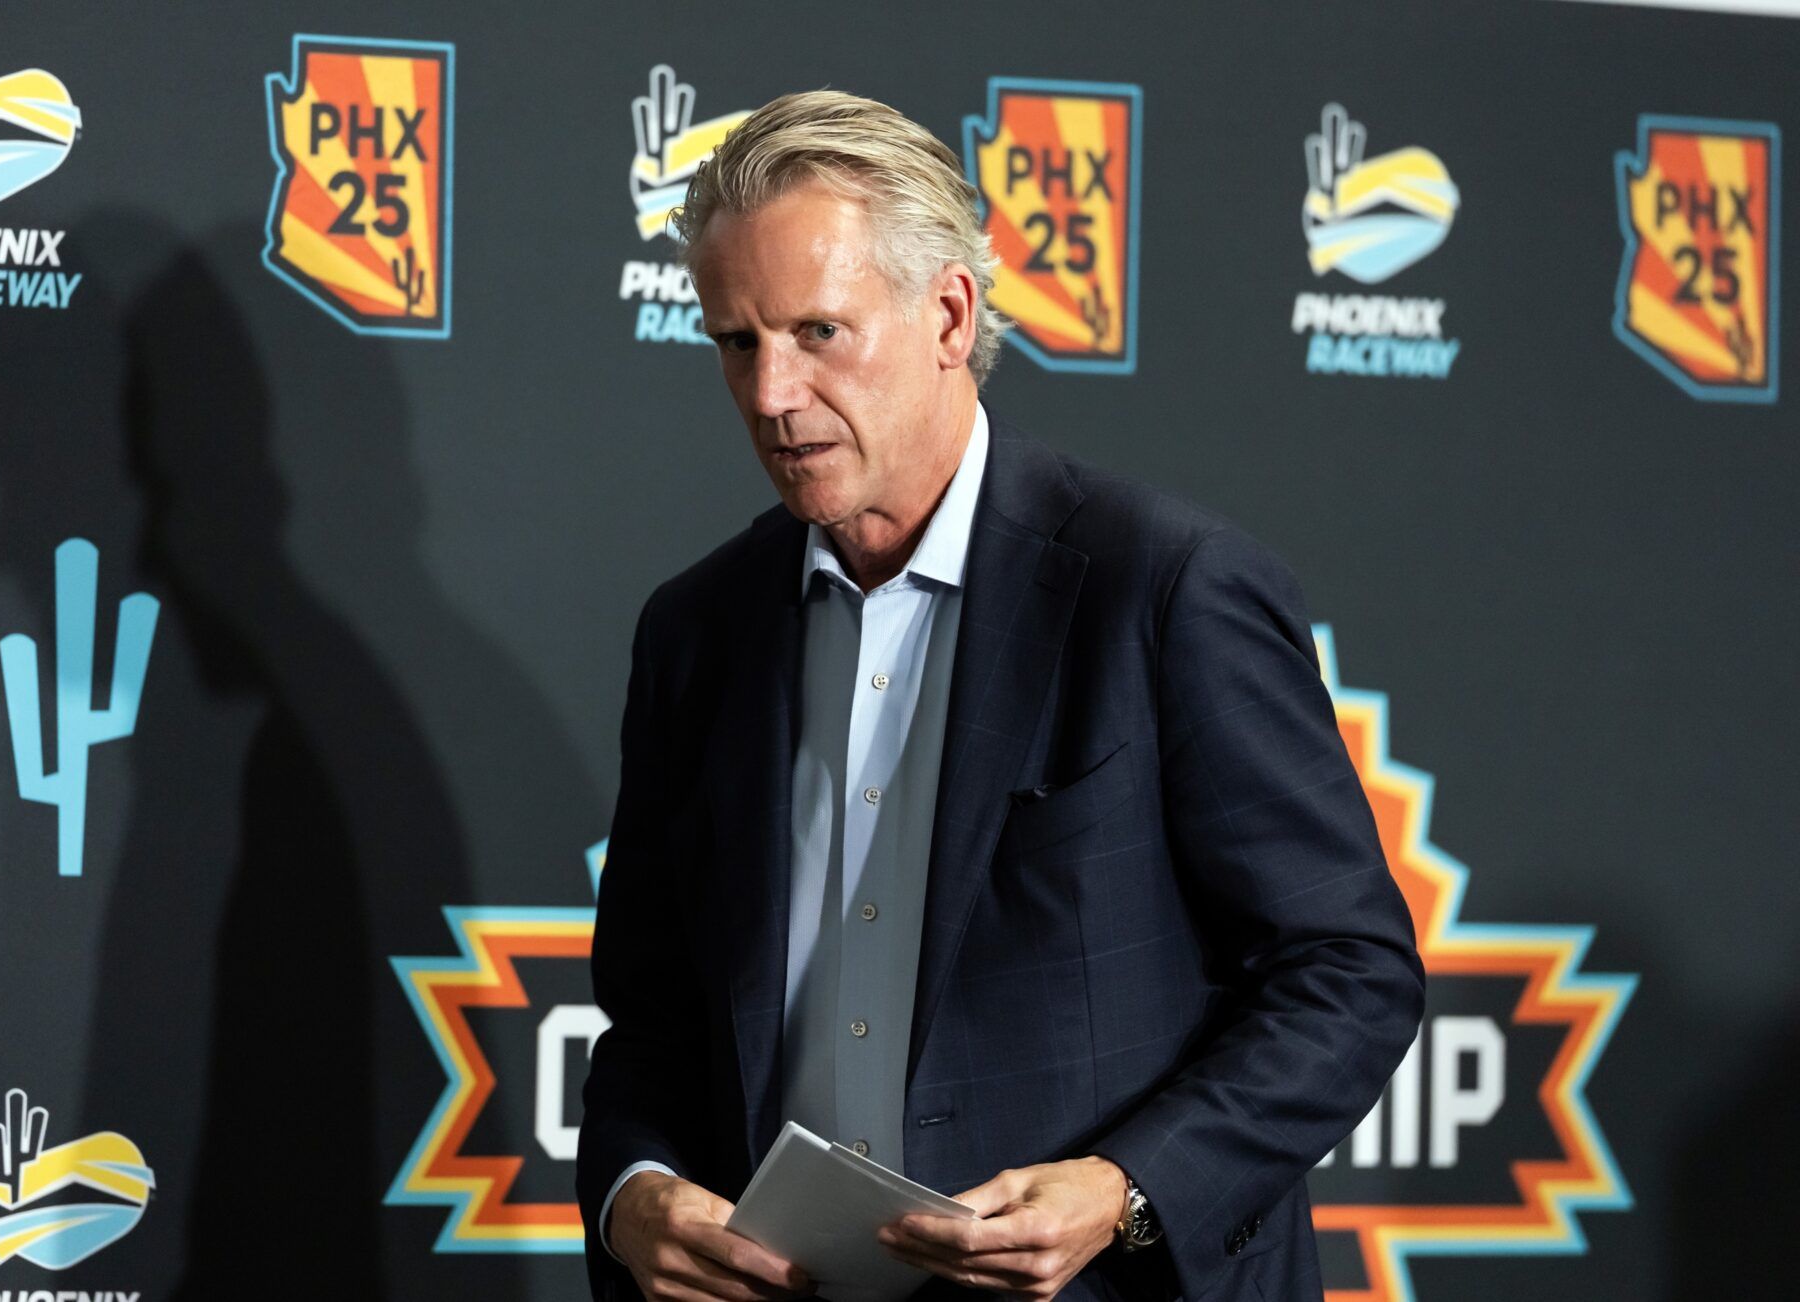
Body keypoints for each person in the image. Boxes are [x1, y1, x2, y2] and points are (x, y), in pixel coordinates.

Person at [574, 89, 1424, 1302]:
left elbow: (1348, 970)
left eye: (819, 332)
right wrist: (633, 1192)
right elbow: (652, 1018)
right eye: (735, 341)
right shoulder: (697, 631)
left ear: (949, 314)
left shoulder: (1163, 586)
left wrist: (1124, 1191)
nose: (770, 394)